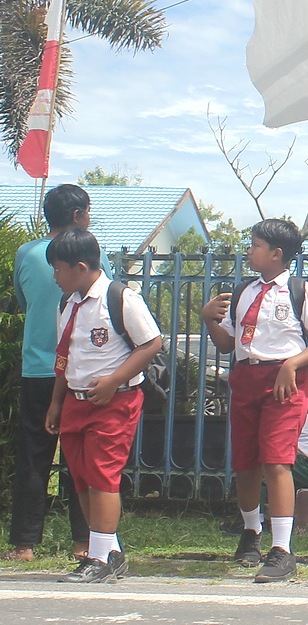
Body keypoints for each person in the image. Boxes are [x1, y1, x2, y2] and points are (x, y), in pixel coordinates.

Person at [200, 219, 308, 582]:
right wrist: (209, 320)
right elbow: (228, 344)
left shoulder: (299, 291)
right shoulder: (243, 291)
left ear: (276, 253)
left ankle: (283, 548)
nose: (249, 250)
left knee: (277, 460)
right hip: (246, 376)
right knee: (246, 461)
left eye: (255, 245)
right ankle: (250, 531)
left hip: (284, 381)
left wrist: (293, 363)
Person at [45, 227, 163, 583]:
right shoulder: (67, 304)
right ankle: (106, 551)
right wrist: (56, 402)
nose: (54, 277)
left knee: (103, 476)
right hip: (76, 401)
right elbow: (65, 357)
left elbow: (151, 343)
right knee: (81, 478)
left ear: (80, 267)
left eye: (58, 269)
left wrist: (113, 380)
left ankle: (99, 558)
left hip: (115, 400)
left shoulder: (120, 298)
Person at [6, 183, 91, 563]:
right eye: (87, 211)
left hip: (36, 367)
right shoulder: (89, 255)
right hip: (77, 370)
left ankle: (24, 544)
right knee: (80, 459)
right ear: (76, 216)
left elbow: (23, 301)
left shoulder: (27, 253)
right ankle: (84, 542)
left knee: (33, 454)